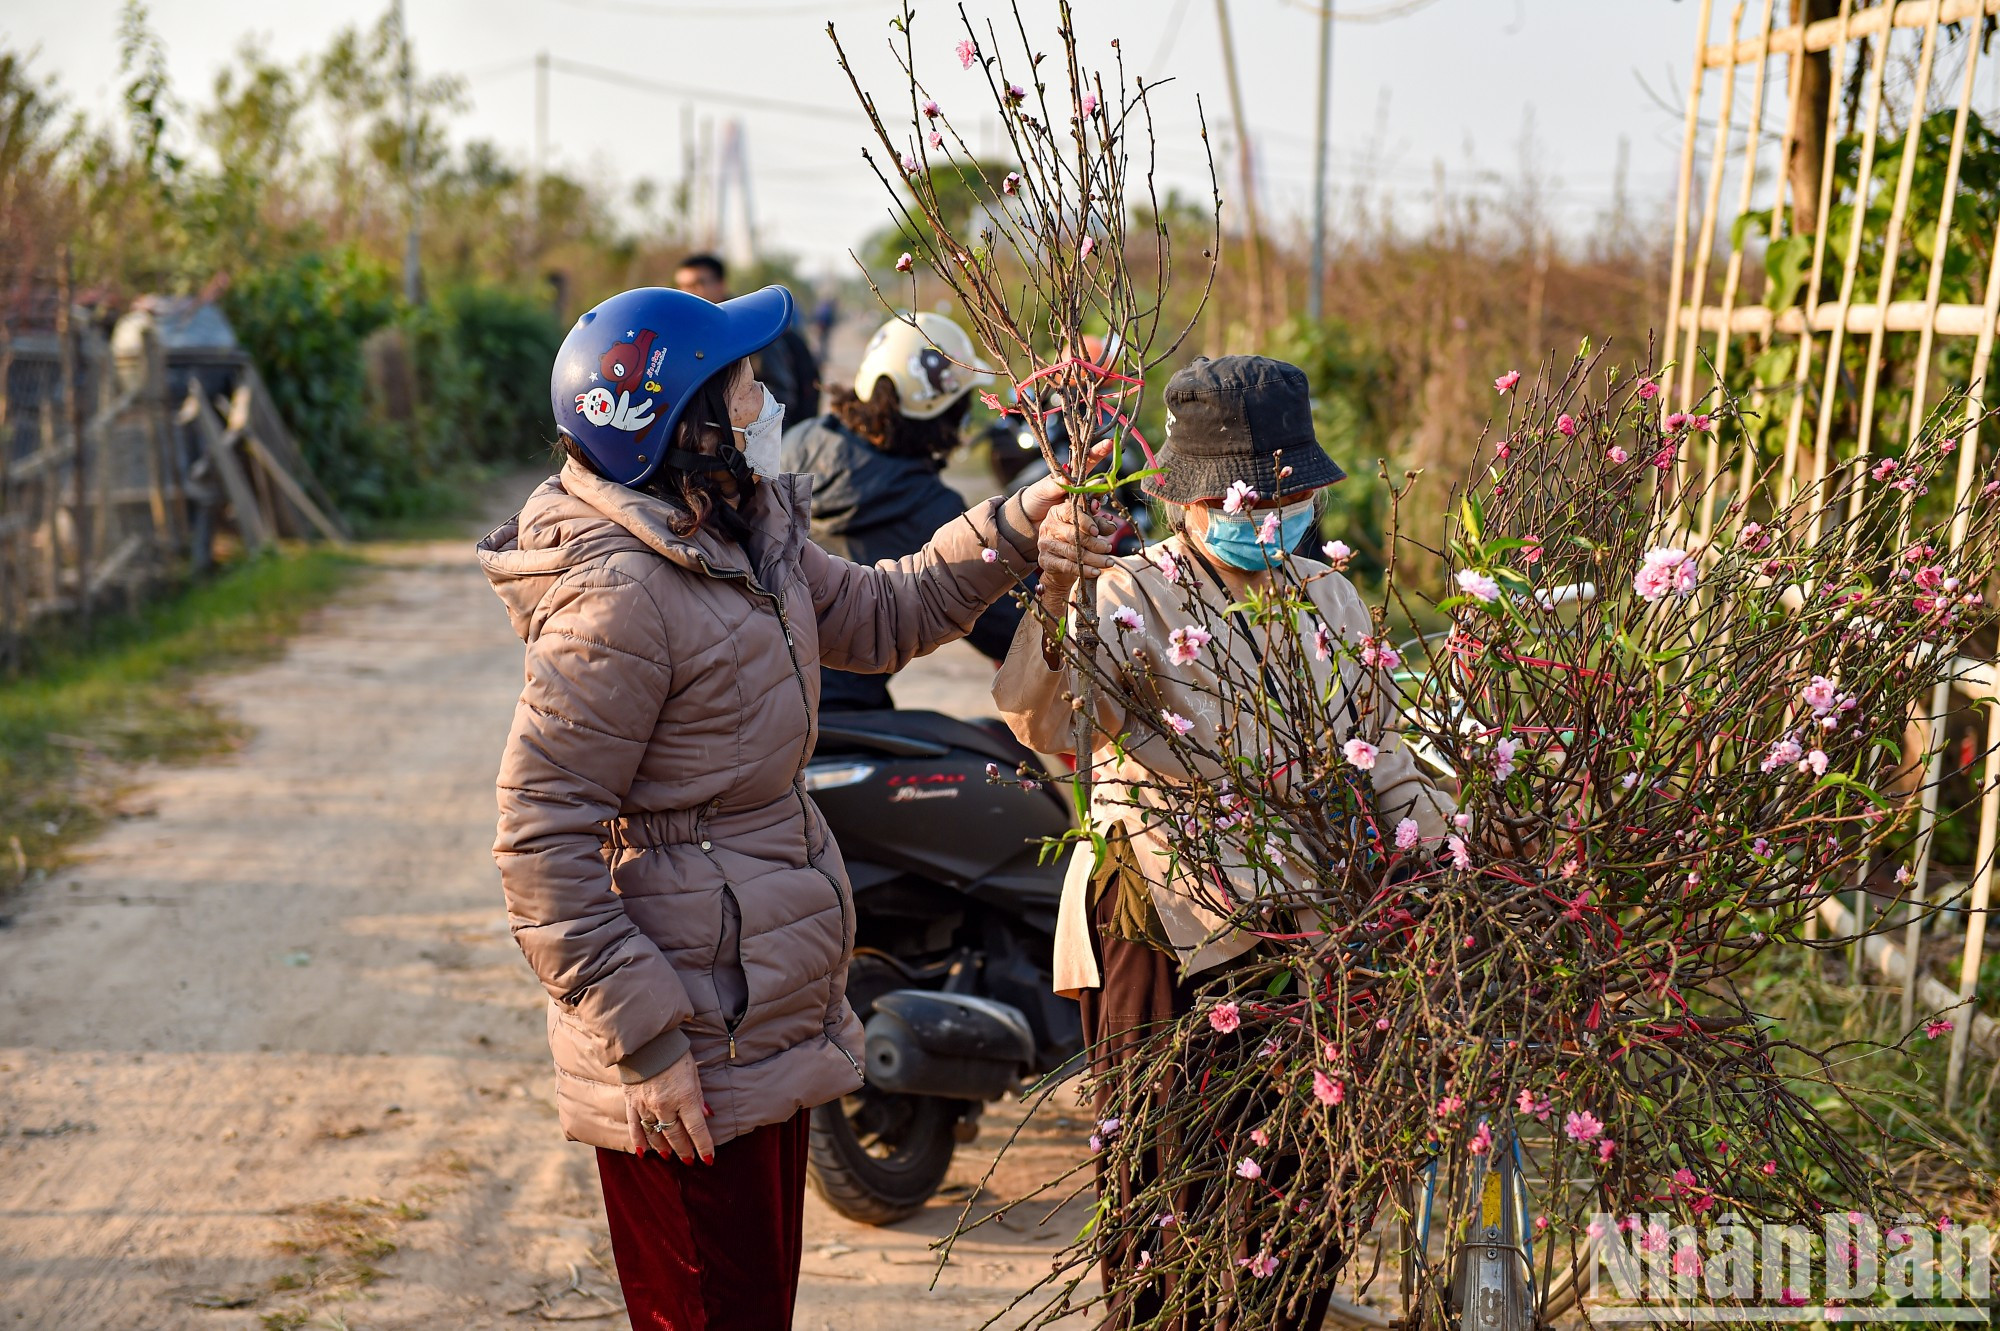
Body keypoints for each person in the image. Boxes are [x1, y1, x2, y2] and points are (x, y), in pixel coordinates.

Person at [478, 284, 1111, 1330]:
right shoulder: (618, 596)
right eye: (744, 384)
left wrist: (1010, 526)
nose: (767, 401)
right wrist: (647, 1043)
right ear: (685, 423)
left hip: (754, 1016)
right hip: (684, 1037)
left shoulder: (739, 537)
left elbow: (883, 611)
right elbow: (540, 840)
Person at [990, 354, 1456, 1331]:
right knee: (1170, 1197)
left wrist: (1443, 853)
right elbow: (1049, 720)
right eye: (1247, 498)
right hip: (1167, 924)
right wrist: (1056, 589)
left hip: (1308, 927)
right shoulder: (1127, 592)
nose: (1267, 516)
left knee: (1302, 1196)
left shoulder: (1329, 596)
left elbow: (1379, 745)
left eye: (1287, 498)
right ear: (1188, 497)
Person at [781, 312, 1024, 711]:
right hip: (840, 710)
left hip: (767, 695)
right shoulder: (926, 506)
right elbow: (1011, 626)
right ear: (945, 411)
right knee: (982, 746)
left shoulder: (801, 440)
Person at [674, 253, 822, 424]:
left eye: (696, 284)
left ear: (721, 284)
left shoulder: (747, 327)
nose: (687, 292)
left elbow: (780, 392)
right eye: (681, 286)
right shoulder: (692, 331)